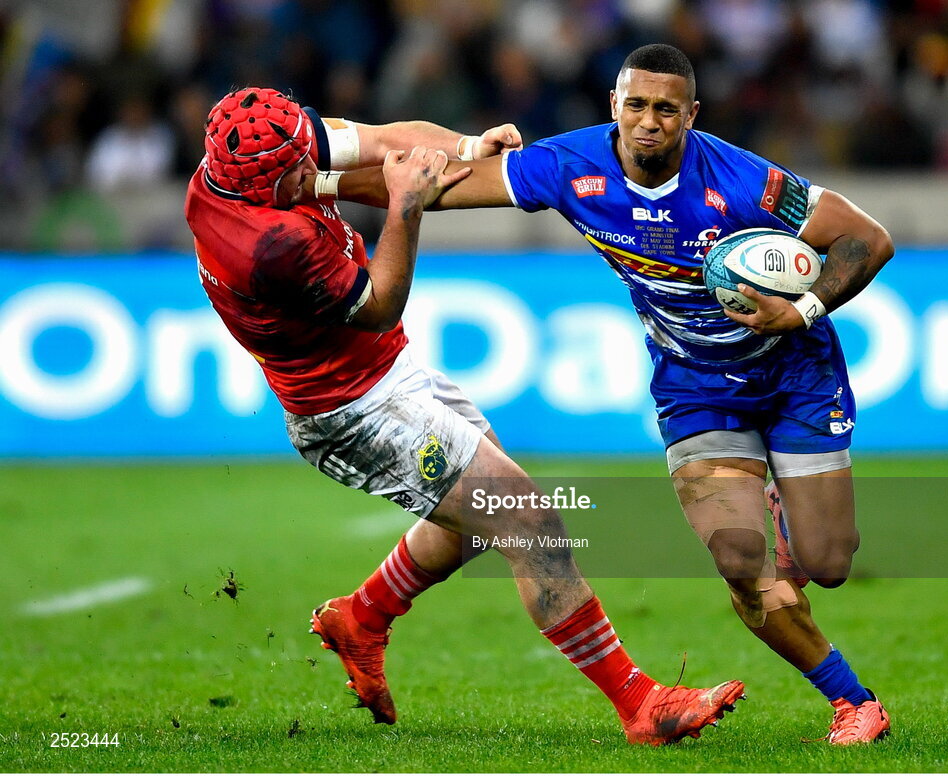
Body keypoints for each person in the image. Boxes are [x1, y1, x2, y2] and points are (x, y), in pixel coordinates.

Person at [330, 44, 894, 745]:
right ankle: (855, 702)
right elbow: (433, 182)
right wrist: (314, 187)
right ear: (614, 107)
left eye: (665, 109)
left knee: (829, 563)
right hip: (696, 388)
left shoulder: (746, 181)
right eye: (636, 105)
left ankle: (783, 508)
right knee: (744, 565)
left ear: (691, 115)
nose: (649, 122)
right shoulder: (570, 165)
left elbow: (866, 239)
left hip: (796, 374)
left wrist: (800, 310)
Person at [183, 86, 746, 745]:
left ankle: (362, 617)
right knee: (527, 519)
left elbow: (384, 137)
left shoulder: (249, 153)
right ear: (261, 191)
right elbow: (380, 303)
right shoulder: (268, 247)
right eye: (298, 176)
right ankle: (640, 703)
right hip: (350, 410)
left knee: (476, 521)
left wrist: (465, 147)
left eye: (308, 157)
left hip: (385, 372)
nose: (314, 174)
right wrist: (407, 203)